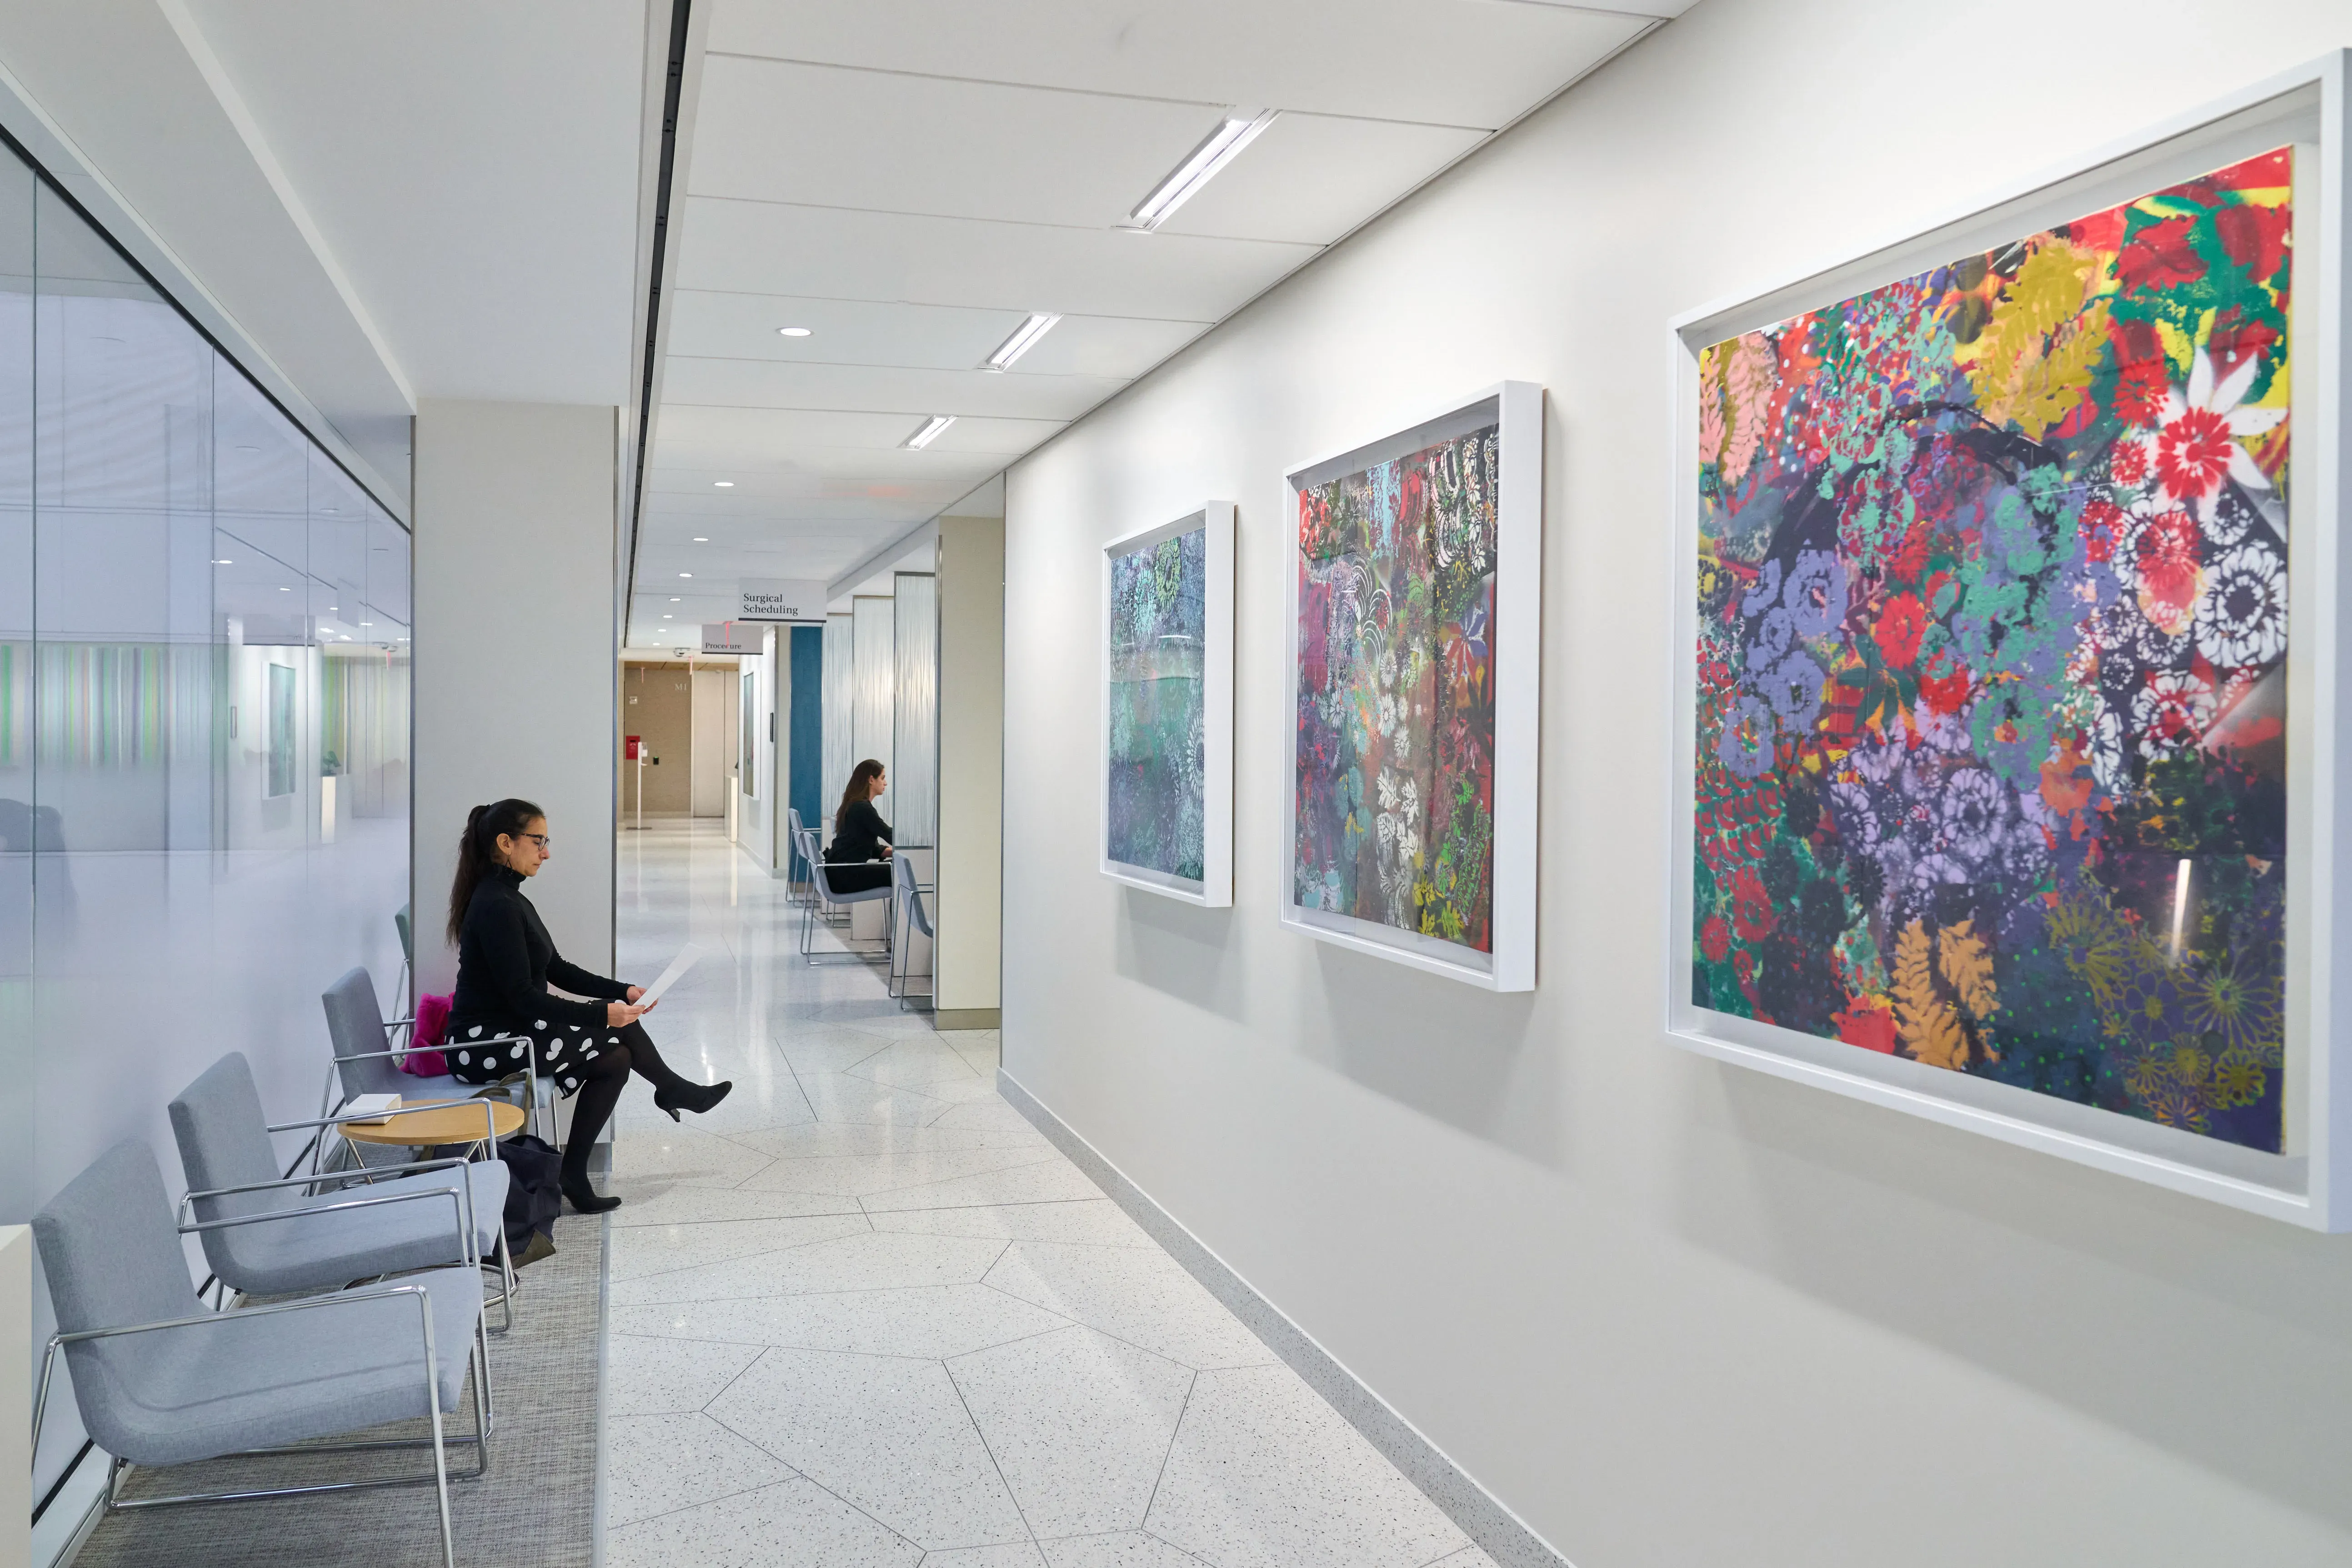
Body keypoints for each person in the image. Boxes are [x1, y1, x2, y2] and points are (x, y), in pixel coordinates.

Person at [445, 797, 730, 1213]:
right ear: (506, 843)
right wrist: (603, 1013)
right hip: (484, 1045)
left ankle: (574, 1172)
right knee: (616, 1028)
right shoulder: (496, 905)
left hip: (512, 1031)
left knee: (617, 1058)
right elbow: (524, 998)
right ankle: (670, 1089)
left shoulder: (510, 898)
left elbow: (556, 969)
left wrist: (623, 990)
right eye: (538, 841)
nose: (546, 853)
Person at [823, 759, 894, 893]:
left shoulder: (854, 804)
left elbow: (872, 849)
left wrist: (897, 852)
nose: (885, 783)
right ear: (871, 780)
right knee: (898, 870)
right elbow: (889, 835)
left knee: (897, 866)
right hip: (844, 876)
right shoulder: (862, 808)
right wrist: (908, 844)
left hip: (838, 873)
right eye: (882, 778)